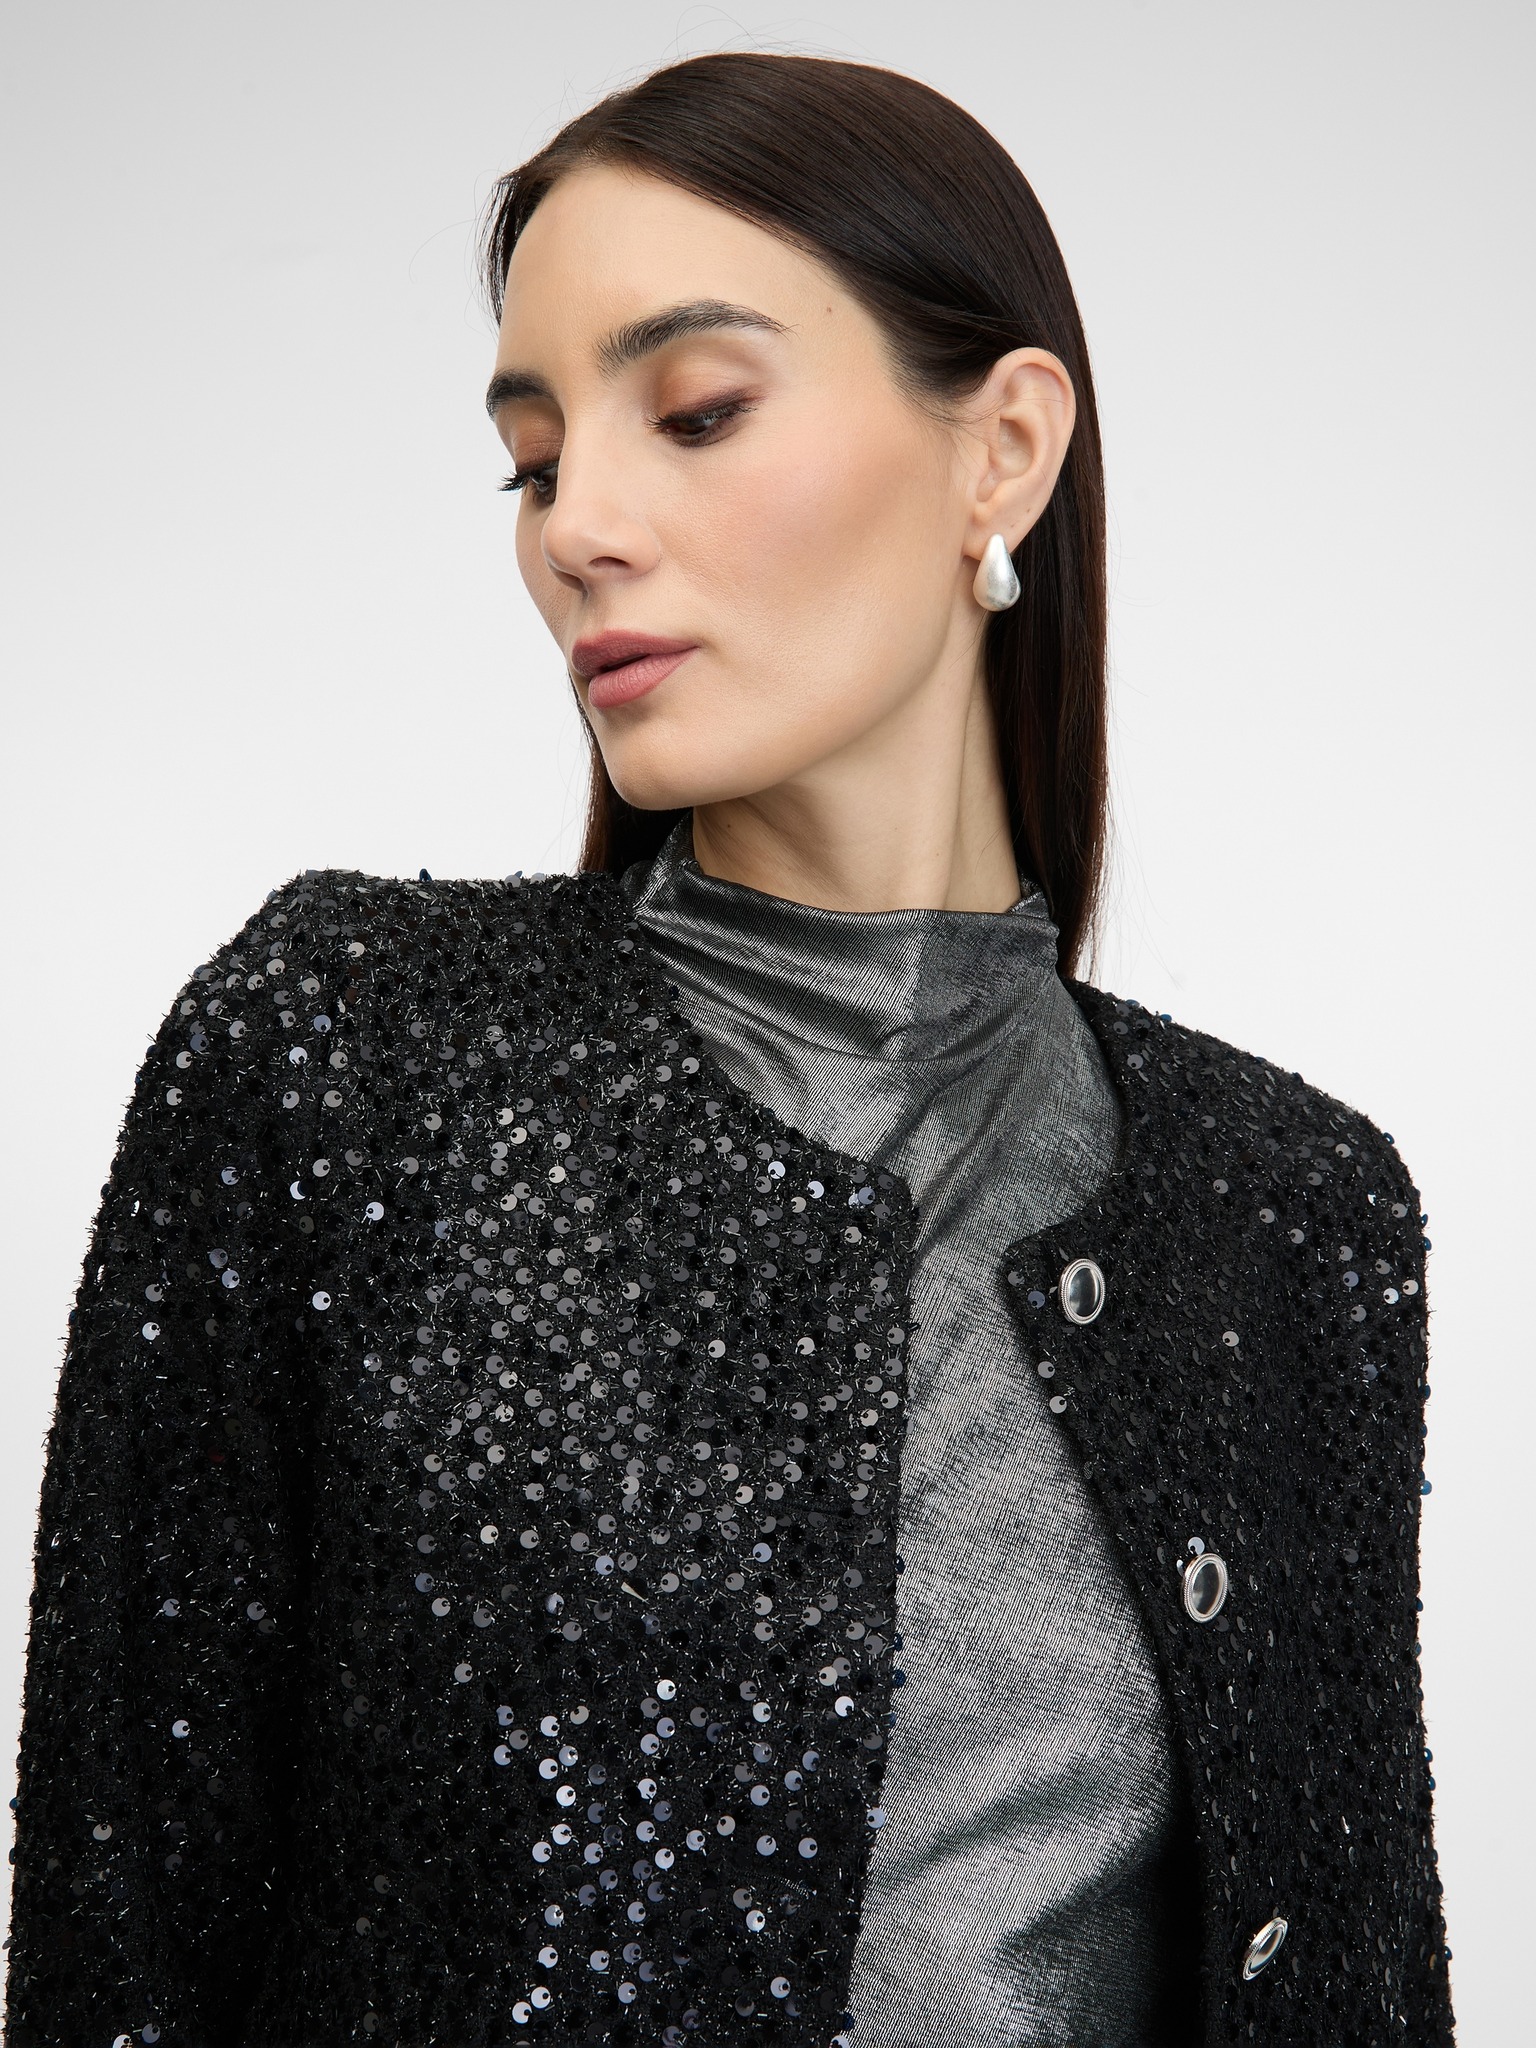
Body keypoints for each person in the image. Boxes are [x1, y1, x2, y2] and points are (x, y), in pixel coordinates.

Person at [2, 51, 1453, 2048]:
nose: (579, 527)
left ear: (1002, 453)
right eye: (532, 463)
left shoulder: (1298, 1213)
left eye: (694, 412)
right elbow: (118, 1941)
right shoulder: (347, 1052)